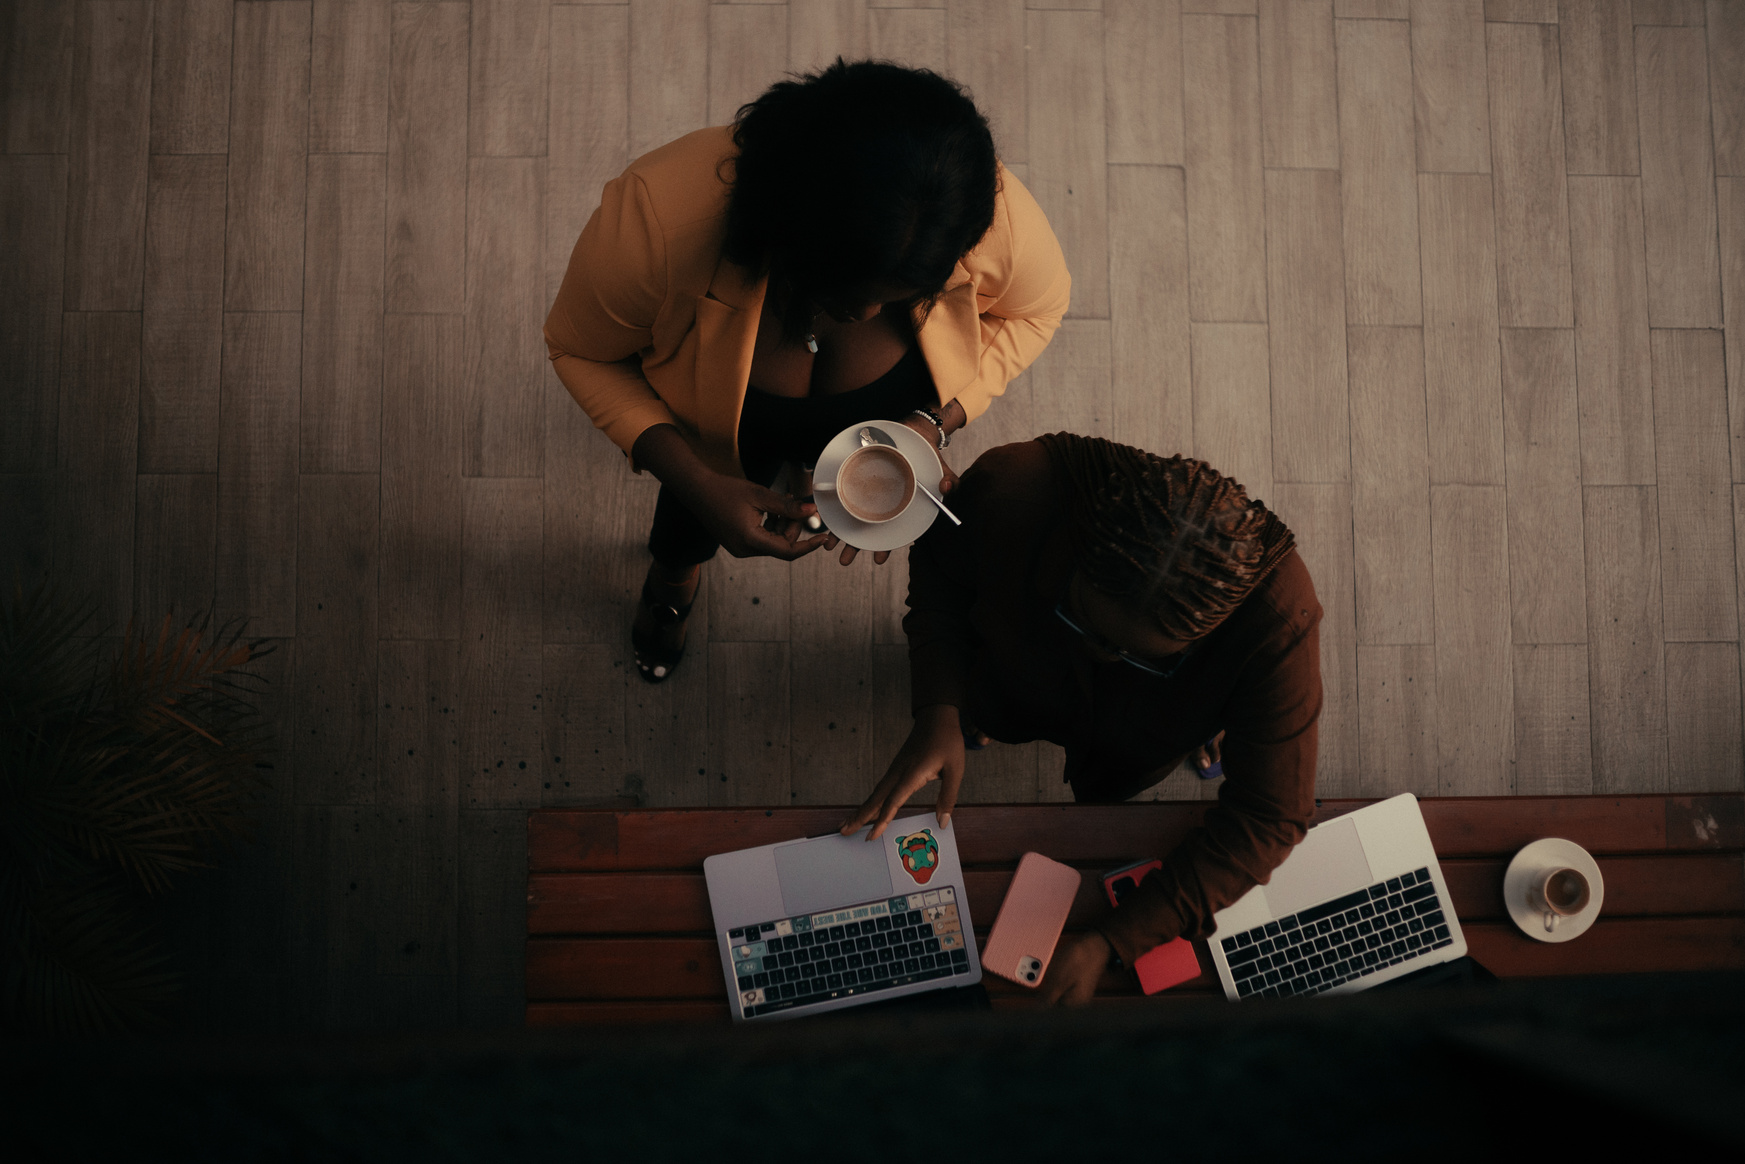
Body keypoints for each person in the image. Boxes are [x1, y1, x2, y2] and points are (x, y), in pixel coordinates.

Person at [544, 60, 1071, 682]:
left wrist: (935, 420)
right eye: (840, 289)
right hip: (721, 427)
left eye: (902, 297)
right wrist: (692, 479)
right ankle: (673, 573)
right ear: (784, 229)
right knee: (689, 514)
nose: (867, 314)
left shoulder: (973, 215)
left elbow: (1038, 311)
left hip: (888, 410)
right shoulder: (657, 218)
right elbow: (581, 349)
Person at [840, 433, 1324, 1007]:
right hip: (1013, 682)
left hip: (1137, 743)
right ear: (1078, 545)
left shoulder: (1278, 624)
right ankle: (986, 720)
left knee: (1117, 776)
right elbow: (943, 578)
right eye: (1083, 623)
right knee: (999, 705)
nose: (1102, 659)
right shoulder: (1011, 489)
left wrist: (1115, 941)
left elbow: (1270, 819)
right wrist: (940, 708)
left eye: (1141, 656)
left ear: (1214, 633)